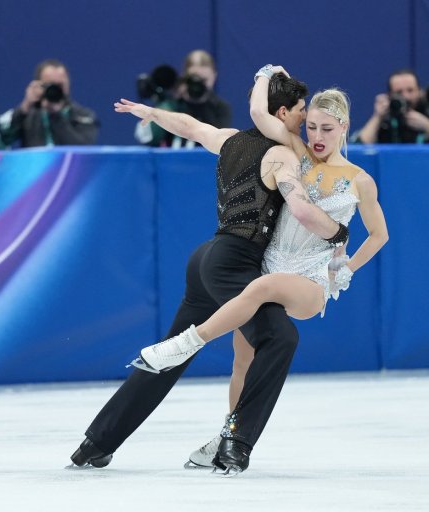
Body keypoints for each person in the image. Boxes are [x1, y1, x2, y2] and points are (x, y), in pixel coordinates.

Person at [69, 69, 350, 472]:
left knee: (174, 351)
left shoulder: (230, 139)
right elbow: (303, 210)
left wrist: (151, 112)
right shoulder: (282, 155)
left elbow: (190, 126)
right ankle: (236, 442)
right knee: (281, 337)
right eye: (302, 112)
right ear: (283, 112)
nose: (306, 122)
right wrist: (339, 231)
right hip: (235, 263)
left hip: (206, 259)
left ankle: (96, 442)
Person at [137, 65, 389, 472]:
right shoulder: (297, 154)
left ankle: (186, 343)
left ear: (344, 127)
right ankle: (227, 436)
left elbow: (379, 235)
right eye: (311, 127)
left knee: (261, 287)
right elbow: (257, 115)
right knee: (243, 361)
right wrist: (265, 74)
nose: (317, 137)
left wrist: (347, 268)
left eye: (327, 129)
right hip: (270, 268)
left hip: (308, 282)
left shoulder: (360, 180)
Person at [136, 50, 232, 148]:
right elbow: (150, 138)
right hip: (172, 161)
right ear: (185, 76)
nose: (198, 85)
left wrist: (200, 105)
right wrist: (168, 104)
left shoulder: (220, 107)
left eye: (204, 80)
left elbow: (220, 142)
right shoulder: (173, 104)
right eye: (194, 79)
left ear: (214, 76)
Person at [0, 58, 99, 147]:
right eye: (49, 85)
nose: (54, 90)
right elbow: (3, 138)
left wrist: (56, 115)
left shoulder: (83, 115)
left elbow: (82, 149)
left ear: (68, 84)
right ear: (37, 85)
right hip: (36, 168)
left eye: (60, 85)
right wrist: (25, 107)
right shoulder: (27, 115)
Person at [354, 69, 429, 145]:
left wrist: (427, 125)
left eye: (410, 90)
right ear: (390, 94)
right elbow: (360, 147)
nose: (406, 96)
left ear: (419, 92)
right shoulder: (385, 117)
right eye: (399, 92)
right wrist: (377, 117)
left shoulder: (426, 114)